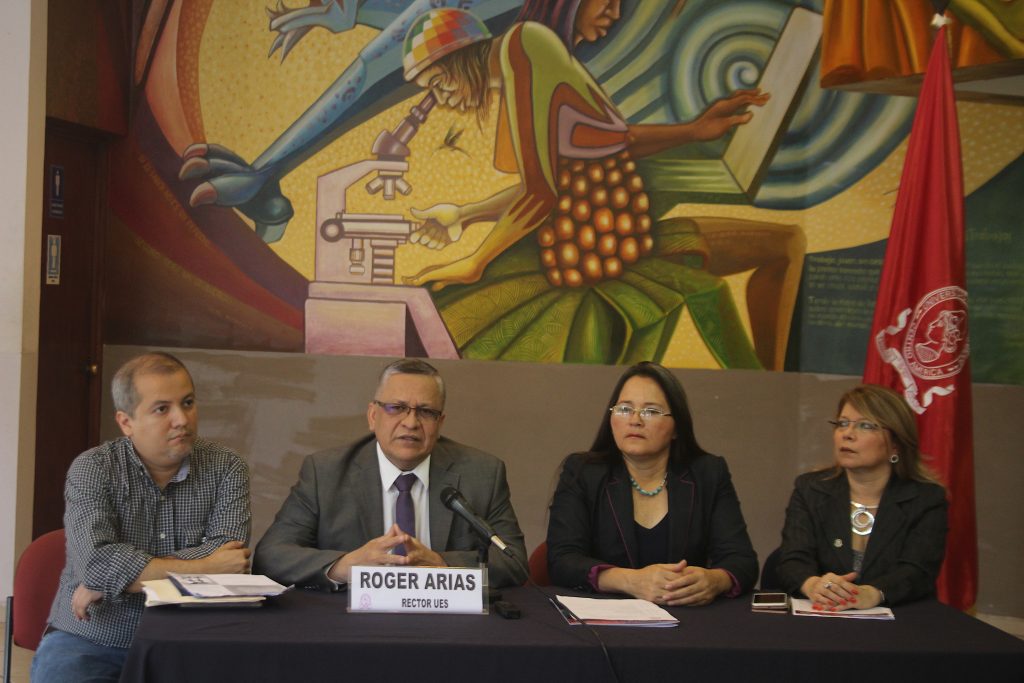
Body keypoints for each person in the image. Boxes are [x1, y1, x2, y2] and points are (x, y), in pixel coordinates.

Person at [31, 352, 252, 683]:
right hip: (93, 637)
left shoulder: (227, 467)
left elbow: (230, 558)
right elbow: (97, 565)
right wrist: (206, 566)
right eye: (162, 409)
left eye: (188, 403)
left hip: (192, 634)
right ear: (126, 423)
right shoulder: (93, 468)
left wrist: (119, 579)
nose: (182, 419)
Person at [254, 358, 528, 589]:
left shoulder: (481, 473)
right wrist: (345, 566)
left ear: (440, 423)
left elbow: (514, 562)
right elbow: (271, 556)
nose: (411, 422)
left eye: (425, 412)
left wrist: (442, 565)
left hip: (447, 620)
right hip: (354, 621)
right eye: (397, 408)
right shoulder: (326, 472)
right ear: (373, 416)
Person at [546, 361, 758, 605]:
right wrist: (629, 581)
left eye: (651, 411)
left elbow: (742, 561)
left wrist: (715, 580)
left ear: (677, 427)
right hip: (606, 618)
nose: (635, 420)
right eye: (625, 409)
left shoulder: (708, 473)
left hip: (688, 615)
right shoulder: (583, 472)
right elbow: (562, 560)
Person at [775, 384, 948, 610]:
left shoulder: (926, 498)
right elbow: (792, 559)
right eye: (842, 423)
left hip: (900, 618)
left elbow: (918, 571)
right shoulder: (811, 489)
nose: (847, 434)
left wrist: (873, 593)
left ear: (895, 445)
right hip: (823, 614)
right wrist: (813, 585)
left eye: (865, 425)